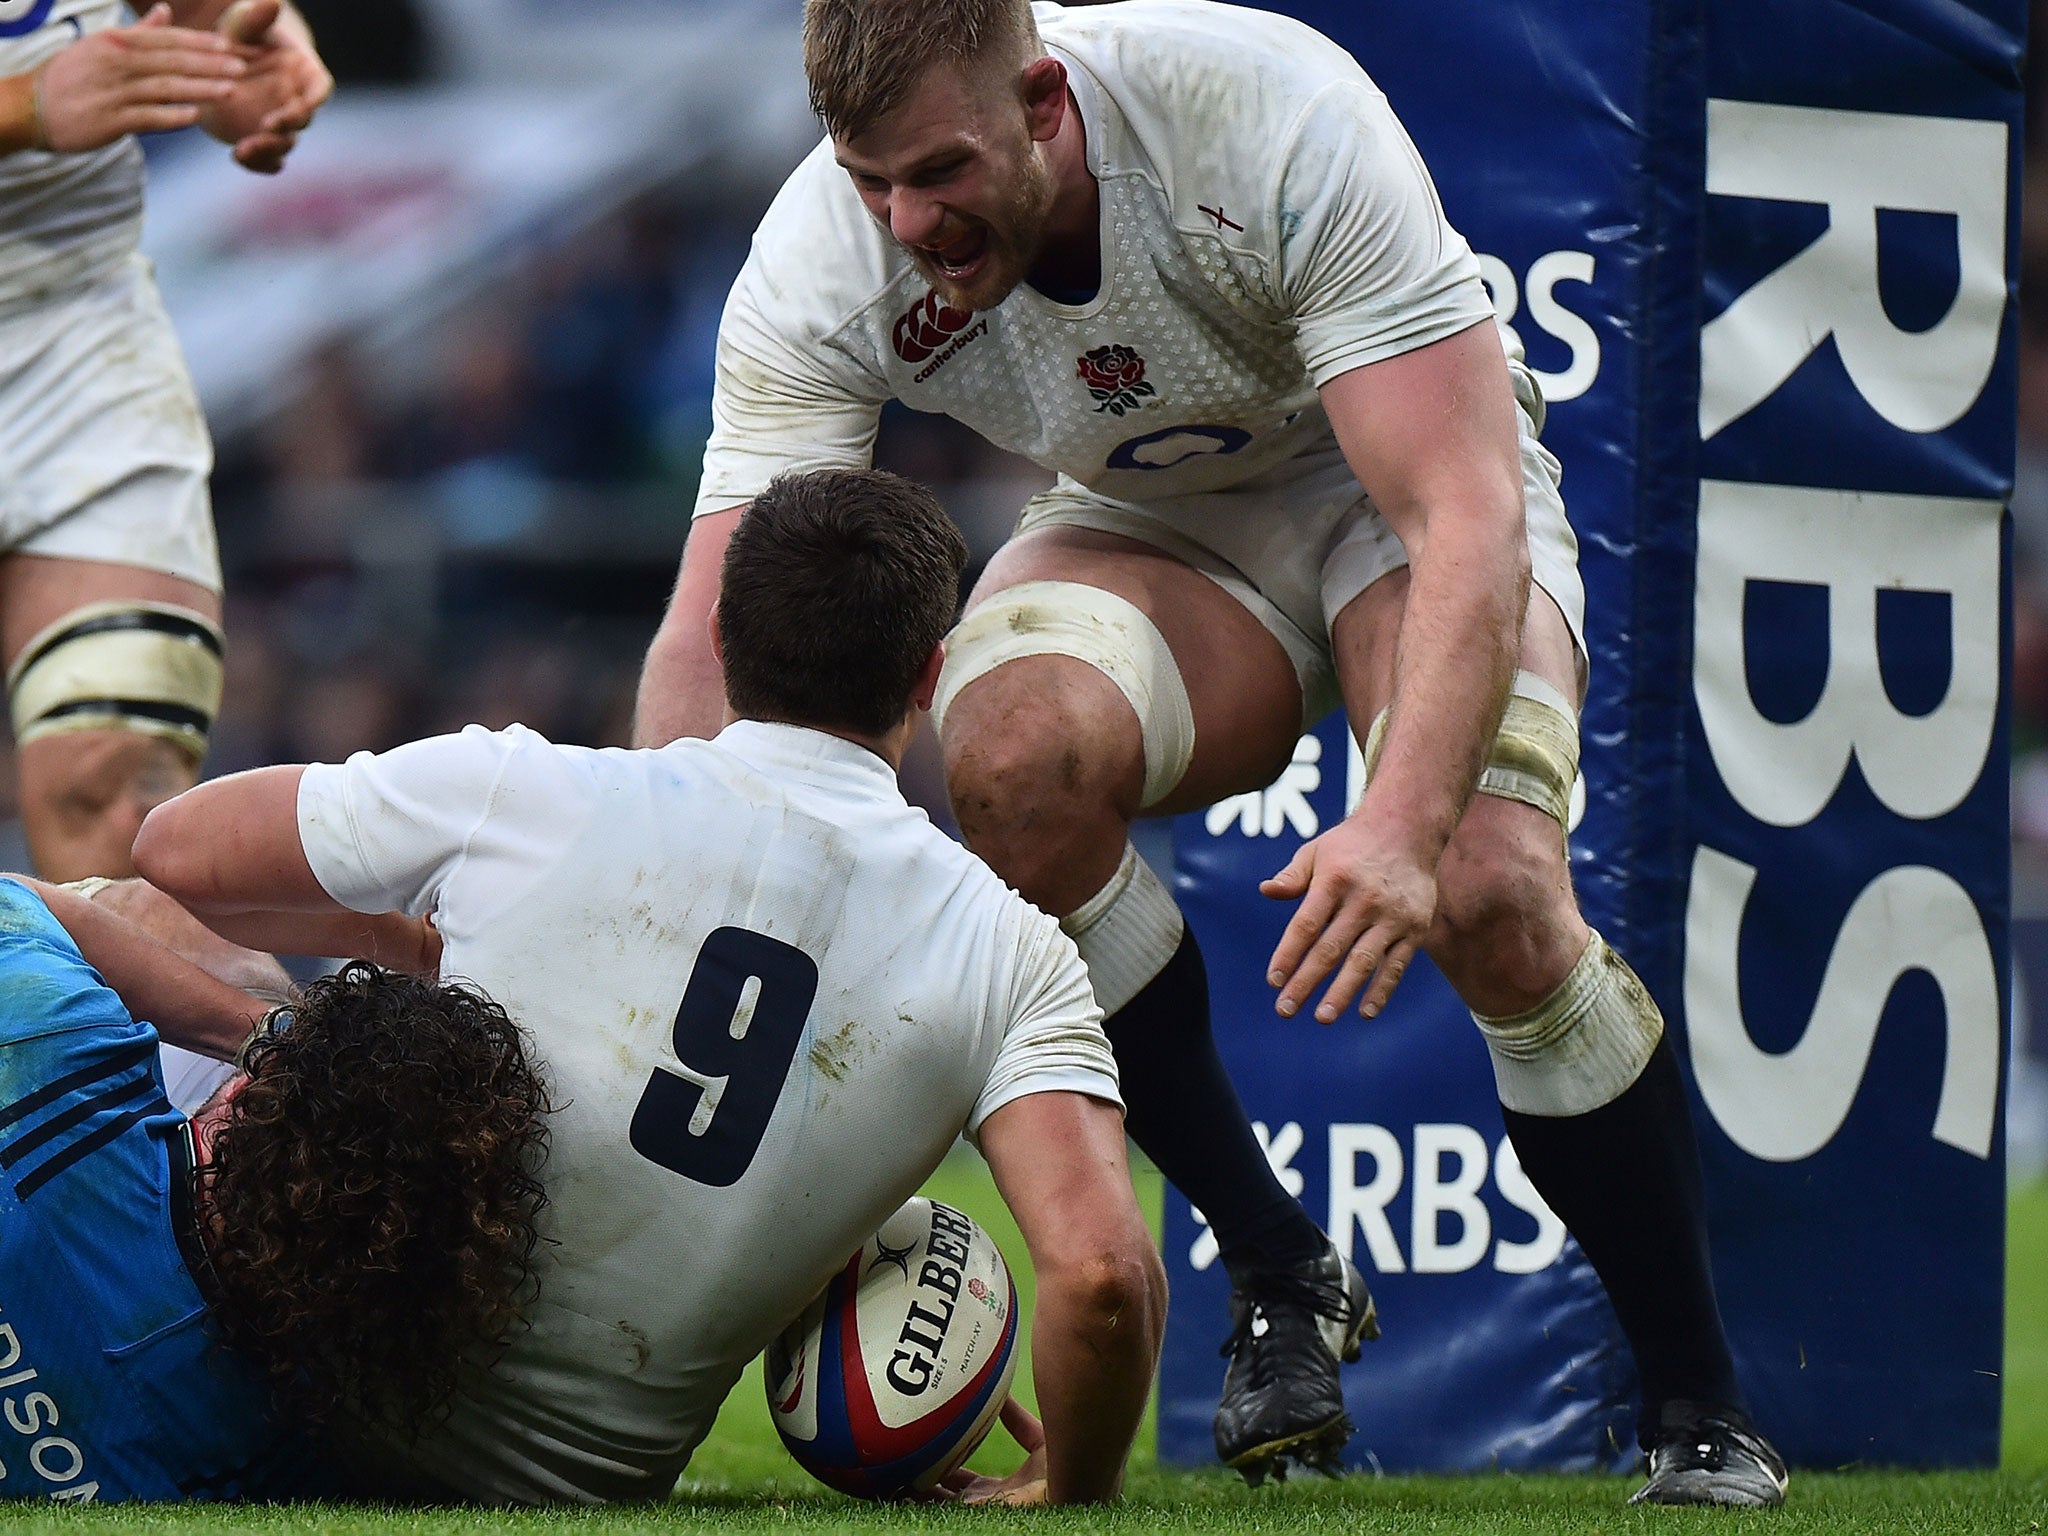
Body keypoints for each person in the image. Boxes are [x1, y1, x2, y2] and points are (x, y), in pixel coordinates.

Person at [629, 0, 1786, 1506]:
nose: (908, 222)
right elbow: (719, 633)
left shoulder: (1268, 113)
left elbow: (1462, 511)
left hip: (1403, 505)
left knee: (1496, 888)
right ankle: (1278, 1266)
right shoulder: (819, 261)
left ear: (1045, 101)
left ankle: (1703, 1410)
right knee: (1014, 769)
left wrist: (1404, 823)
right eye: (871, 182)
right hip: (1145, 523)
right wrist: (659, 915)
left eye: (939, 172)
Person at [135, 466, 1168, 1507]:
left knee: (133, 928)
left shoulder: (530, 787)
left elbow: (173, 853)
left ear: (720, 641)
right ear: (928, 676)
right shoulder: (1011, 952)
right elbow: (1101, 1276)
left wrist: (398, 937)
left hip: (289, 1389)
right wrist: (1071, 1489)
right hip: (575, 1488)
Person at [0, 873, 550, 1502]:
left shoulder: (46, 1043)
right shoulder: (270, 1460)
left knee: (173, 919)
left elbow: (21, 900)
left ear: (249, 1088)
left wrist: (269, 1030)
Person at [0, 0, 331, 882]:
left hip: (81, 330)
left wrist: (236, 61)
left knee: (114, 793)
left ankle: (148, 1025)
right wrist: (22, 105)